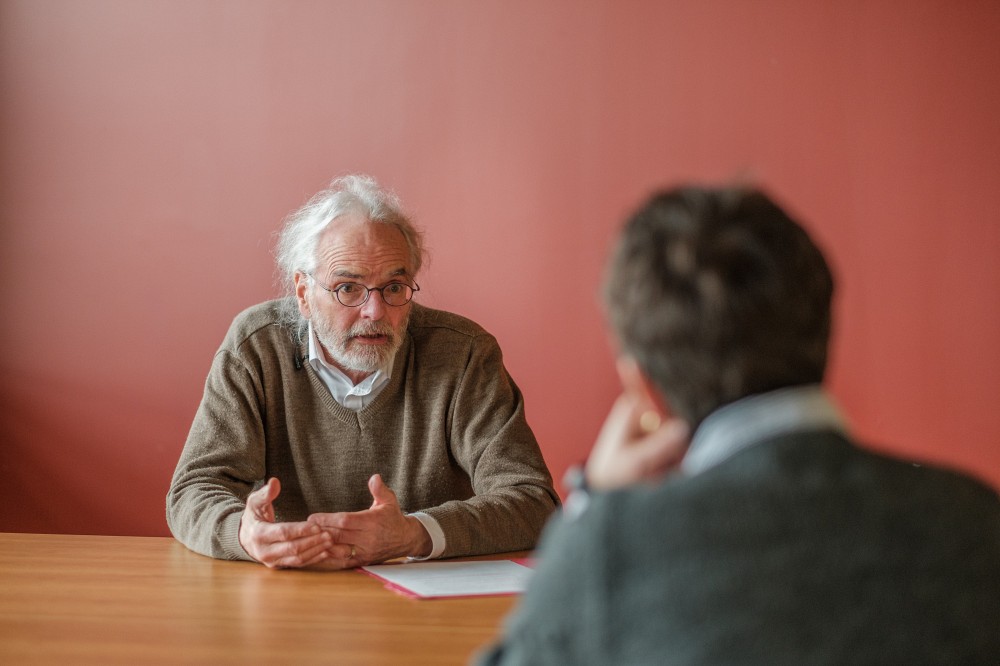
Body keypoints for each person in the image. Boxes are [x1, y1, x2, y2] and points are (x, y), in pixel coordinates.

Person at [479, 186, 1000, 664]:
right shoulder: (975, 518)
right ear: (820, 328)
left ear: (645, 390)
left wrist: (594, 503)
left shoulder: (612, 549)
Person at [167, 174, 558, 569]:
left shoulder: (463, 353)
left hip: (426, 606)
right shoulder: (256, 347)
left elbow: (532, 501)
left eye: (394, 287)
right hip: (289, 593)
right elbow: (193, 490)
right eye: (348, 288)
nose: (375, 312)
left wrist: (414, 533)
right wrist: (243, 534)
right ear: (303, 293)